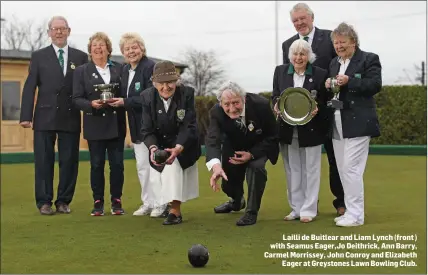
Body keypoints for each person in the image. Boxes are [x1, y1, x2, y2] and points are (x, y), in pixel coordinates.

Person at [19, 16, 87, 215]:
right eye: (55, 29)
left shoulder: (81, 57)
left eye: (62, 29)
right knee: (43, 161)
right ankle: (44, 202)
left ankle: (63, 201)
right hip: (44, 117)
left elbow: (85, 87)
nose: (59, 32)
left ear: (69, 31)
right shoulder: (38, 56)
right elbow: (30, 86)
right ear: (49, 32)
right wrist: (26, 115)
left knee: (69, 161)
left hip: (70, 116)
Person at [282, 2, 344, 216]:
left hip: (327, 108)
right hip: (301, 117)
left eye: (302, 19)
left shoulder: (329, 38)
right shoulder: (287, 44)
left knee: (334, 158)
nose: (299, 23)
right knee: (299, 164)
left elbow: (336, 68)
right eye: (295, 20)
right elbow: (287, 83)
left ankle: (341, 201)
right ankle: (307, 206)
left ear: (311, 17)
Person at [325, 22, 382, 227]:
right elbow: (335, 90)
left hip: (359, 122)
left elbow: (374, 85)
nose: (339, 46)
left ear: (354, 42)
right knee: (342, 169)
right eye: (336, 42)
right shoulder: (333, 63)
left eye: (343, 42)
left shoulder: (369, 59)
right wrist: (330, 84)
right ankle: (350, 211)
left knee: (351, 168)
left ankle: (357, 215)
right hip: (337, 120)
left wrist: (350, 81)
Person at [206, 81, 279, 226]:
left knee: (256, 168)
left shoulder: (261, 105)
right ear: (221, 103)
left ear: (243, 99)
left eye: (235, 103)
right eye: (227, 104)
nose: (232, 108)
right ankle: (237, 201)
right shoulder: (216, 112)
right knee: (228, 184)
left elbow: (273, 136)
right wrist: (216, 166)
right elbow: (212, 140)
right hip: (233, 148)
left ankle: (251, 213)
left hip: (258, 147)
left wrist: (251, 154)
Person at [272, 39, 329, 223]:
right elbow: (275, 95)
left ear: (309, 56)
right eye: (295, 54)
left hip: (312, 129)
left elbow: (325, 100)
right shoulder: (280, 71)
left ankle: (309, 209)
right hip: (287, 129)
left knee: (311, 169)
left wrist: (317, 108)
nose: (299, 57)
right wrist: (275, 105)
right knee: (292, 169)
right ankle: (295, 208)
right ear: (290, 56)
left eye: (303, 54)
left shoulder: (320, 74)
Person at [72, 32, 127, 216]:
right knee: (96, 165)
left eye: (101, 44)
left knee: (117, 165)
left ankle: (116, 201)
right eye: (94, 45)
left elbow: (126, 95)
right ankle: (98, 202)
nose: (98, 48)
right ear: (90, 50)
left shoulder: (120, 69)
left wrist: (121, 101)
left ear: (108, 49)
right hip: (94, 124)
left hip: (116, 124)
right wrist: (90, 105)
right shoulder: (81, 71)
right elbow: (76, 99)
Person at [140, 61, 200, 225]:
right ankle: (167, 205)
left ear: (177, 80)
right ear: (154, 83)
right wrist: (152, 148)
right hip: (159, 145)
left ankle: (175, 212)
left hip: (183, 144)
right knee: (159, 180)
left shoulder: (187, 94)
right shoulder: (146, 97)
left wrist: (178, 147)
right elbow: (146, 130)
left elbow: (188, 125)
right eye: (161, 83)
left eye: (170, 82)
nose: (165, 87)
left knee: (173, 170)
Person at [110, 33, 160, 217]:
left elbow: (149, 97)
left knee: (155, 164)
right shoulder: (124, 70)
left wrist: (124, 102)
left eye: (134, 47)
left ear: (141, 48)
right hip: (136, 126)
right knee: (142, 166)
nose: (131, 51)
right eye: (127, 49)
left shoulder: (150, 67)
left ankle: (160, 203)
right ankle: (148, 202)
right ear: (122, 53)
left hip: (152, 126)